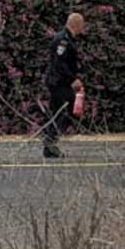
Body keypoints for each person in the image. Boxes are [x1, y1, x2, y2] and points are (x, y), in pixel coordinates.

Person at [42, 12, 85, 158]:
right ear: (77, 25)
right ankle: (51, 141)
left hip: (59, 81)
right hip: (58, 82)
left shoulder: (67, 39)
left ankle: (49, 146)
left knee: (56, 112)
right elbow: (60, 64)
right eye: (82, 25)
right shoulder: (63, 40)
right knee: (69, 110)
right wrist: (73, 79)